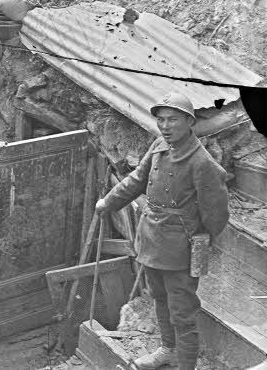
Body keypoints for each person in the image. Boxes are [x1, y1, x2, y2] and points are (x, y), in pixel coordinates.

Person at [95, 91, 229, 370]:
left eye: (173, 120)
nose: (166, 126)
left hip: (180, 249)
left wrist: (199, 244)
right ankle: (167, 350)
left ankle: (187, 365)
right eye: (161, 120)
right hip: (152, 240)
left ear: (189, 122)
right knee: (159, 298)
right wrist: (109, 202)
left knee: (183, 313)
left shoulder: (202, 163)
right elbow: (136, 180)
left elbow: (217, 215)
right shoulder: (159, 145)